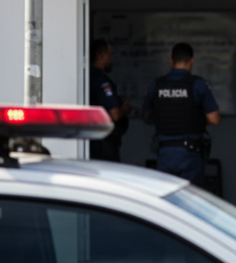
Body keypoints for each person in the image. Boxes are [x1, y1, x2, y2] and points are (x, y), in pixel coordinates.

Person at [142, 43, 220, 186]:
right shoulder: (197, 84)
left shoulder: (156, 85)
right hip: (190, 154)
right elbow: (214, 119)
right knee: (191, 201)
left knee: (166, 201)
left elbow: (146, 116)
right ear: (192, 61)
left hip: (164, 153)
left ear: (171, 61)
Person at [89, 38, 130, 162]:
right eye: (110, 54)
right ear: (102, 56)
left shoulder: (86, 77)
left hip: (92, 142)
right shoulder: (102, 81)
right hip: (104, 145)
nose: (112, 58)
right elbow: (115, 115)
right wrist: (125, 109)